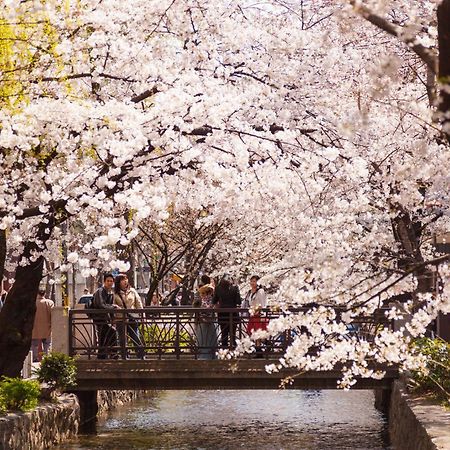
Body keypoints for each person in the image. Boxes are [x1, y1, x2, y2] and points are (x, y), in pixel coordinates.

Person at [114, 273, 145, 359]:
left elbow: (139, 303)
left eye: (126, 279)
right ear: (118, 282)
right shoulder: (115, 293)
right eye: (122, 280)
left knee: (135, 336)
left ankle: (141, 355)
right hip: (120, 319)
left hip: (132, 318)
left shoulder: (132, 291)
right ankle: (125, 356)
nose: (125, 281)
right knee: (122, 339)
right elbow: (112, 305)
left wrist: (142, 315)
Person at [91, 273, 120, 359]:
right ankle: (106, 354)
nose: (110, 283)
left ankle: (108, 353)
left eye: (111, 281)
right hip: (99, 318)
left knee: (108, 334)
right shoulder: (100, 291)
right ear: (104, 282)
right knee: (106, 334)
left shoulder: (110, 292)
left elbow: (109, 306)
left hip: (106, 319)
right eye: (108, 281)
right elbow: (101, 305)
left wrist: (112, 318)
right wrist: (114, 307)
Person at [212, 274, 241, 348]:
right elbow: (238, 301)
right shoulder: (235, 288)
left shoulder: (218, 288)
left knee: (224, 333)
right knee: (233, 334)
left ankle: (224, 351)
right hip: (233, 314)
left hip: (222, 314)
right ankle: (233, 350)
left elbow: (214, 300)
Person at [193, 284, 218, 359]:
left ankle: (203, 355)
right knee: (210, 339)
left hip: (203, 322)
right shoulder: (212, 300)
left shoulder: (202, 300)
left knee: (203, 339)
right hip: (210, 321)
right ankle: (211, 354)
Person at [31, 289, 54, 362]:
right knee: (47, 344)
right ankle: (47, 358)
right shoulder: (49, 303)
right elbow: (53, 315)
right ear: (44, 294)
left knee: (34, 345)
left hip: (34, 328)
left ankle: (34, 358)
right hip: (47, 327)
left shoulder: (32, 303)